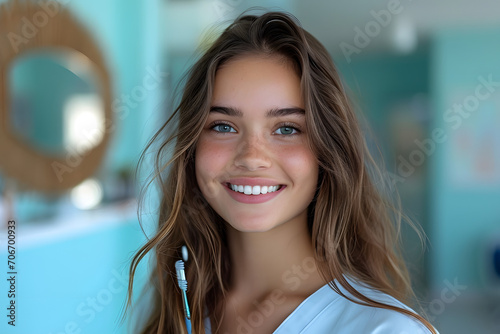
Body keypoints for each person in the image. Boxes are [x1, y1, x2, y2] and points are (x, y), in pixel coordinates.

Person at [125, 10, 438, 334]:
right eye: (222, 125)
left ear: (327, 150)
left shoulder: (387, 329)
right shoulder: (175, 307)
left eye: (287, 128)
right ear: (191, 147)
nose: (251, 157)